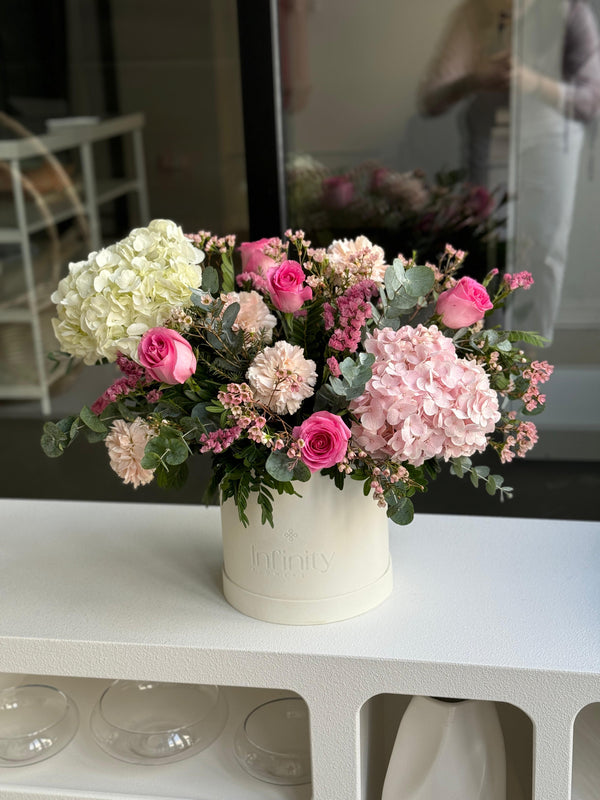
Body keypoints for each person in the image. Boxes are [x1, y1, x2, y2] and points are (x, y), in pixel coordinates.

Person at [417, 0, 600, 342]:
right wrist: (474, 80)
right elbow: (431, 99)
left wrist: (532, 83)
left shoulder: (569, 11)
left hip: (552, 140)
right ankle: (482, 354)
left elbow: (591, 99)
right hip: (488, 140)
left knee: (545, 249)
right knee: (484, 248)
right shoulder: (473, 12)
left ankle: (535, 355)